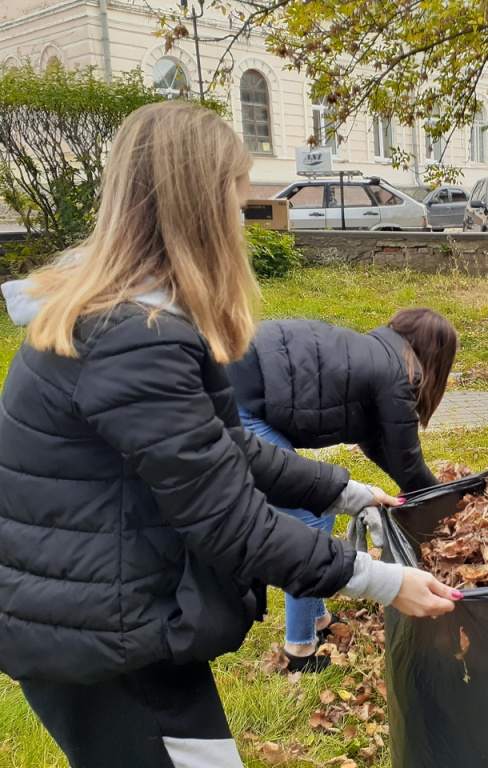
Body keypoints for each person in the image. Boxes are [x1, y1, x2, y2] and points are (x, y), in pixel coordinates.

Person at [0, 101, 460, 768]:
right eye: (235, 192)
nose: (241, 213)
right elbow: (232, 523)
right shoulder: (135, 341)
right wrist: (385, 583)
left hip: (101, 616)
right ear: (199, 202)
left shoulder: (131, 320)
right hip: (102, 639)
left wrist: (348, 493)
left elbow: (228, 450)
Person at [224, 308, 457, 670]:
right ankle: (299, 650)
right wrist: (446, 505)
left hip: (241, 380)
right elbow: (409, 464)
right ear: (436, 355)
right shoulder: (397, 373)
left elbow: (377, 444)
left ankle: (316, 620)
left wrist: (412, 494)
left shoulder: (374, 353)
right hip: (241, 400)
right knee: (307, 515)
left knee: (316, 504)